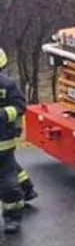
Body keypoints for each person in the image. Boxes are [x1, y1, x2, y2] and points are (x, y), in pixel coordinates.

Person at [0, 49, 27, 234]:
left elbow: (20, 106)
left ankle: (12, 217)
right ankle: (29, 189)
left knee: (9, 185)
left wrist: (3, 114)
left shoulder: (6, 85)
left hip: (3, 145)